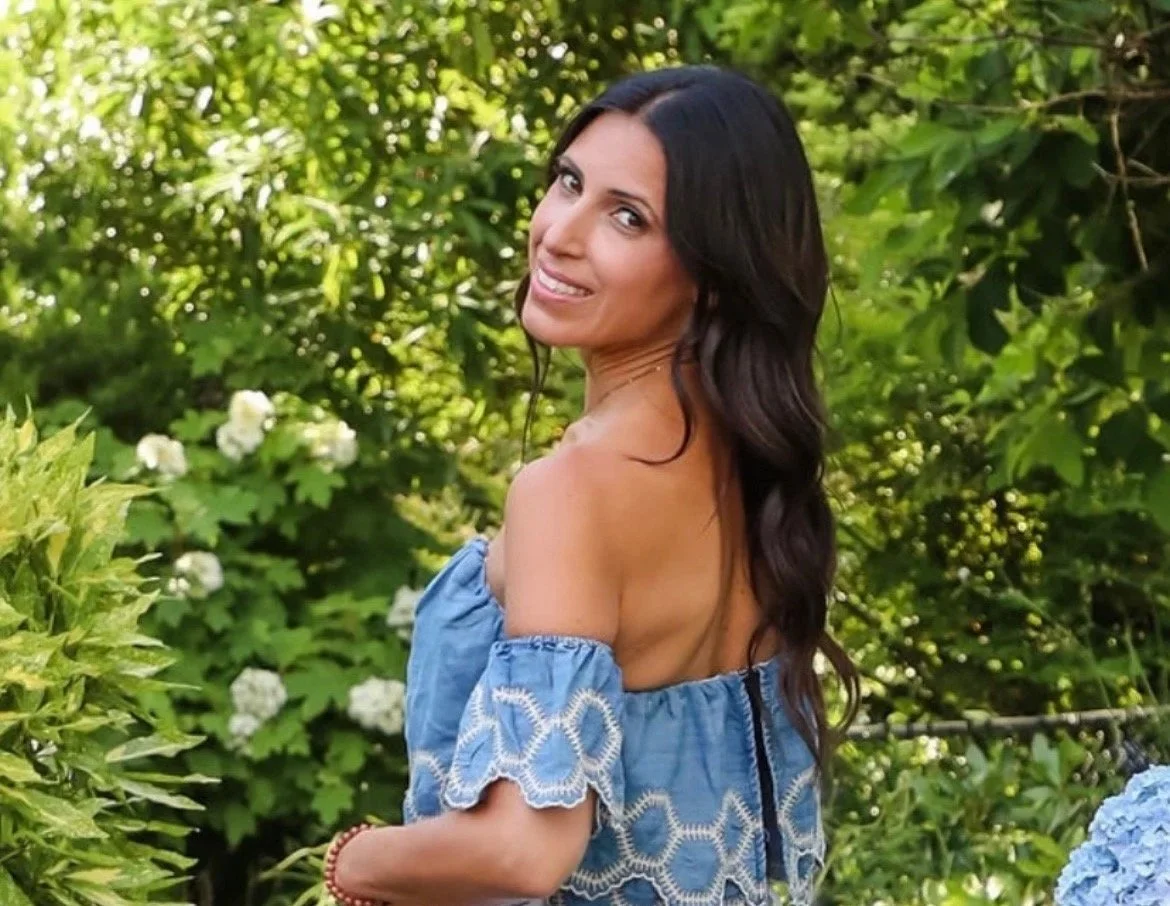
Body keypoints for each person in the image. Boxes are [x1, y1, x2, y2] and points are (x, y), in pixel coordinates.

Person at [325, 64, 859, 906]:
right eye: (569, 182)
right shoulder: (748, 467)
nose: (560, 233)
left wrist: (353, 862)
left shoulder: (573, 489)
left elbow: (524, 850)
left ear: (711, 273)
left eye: (627, 216)